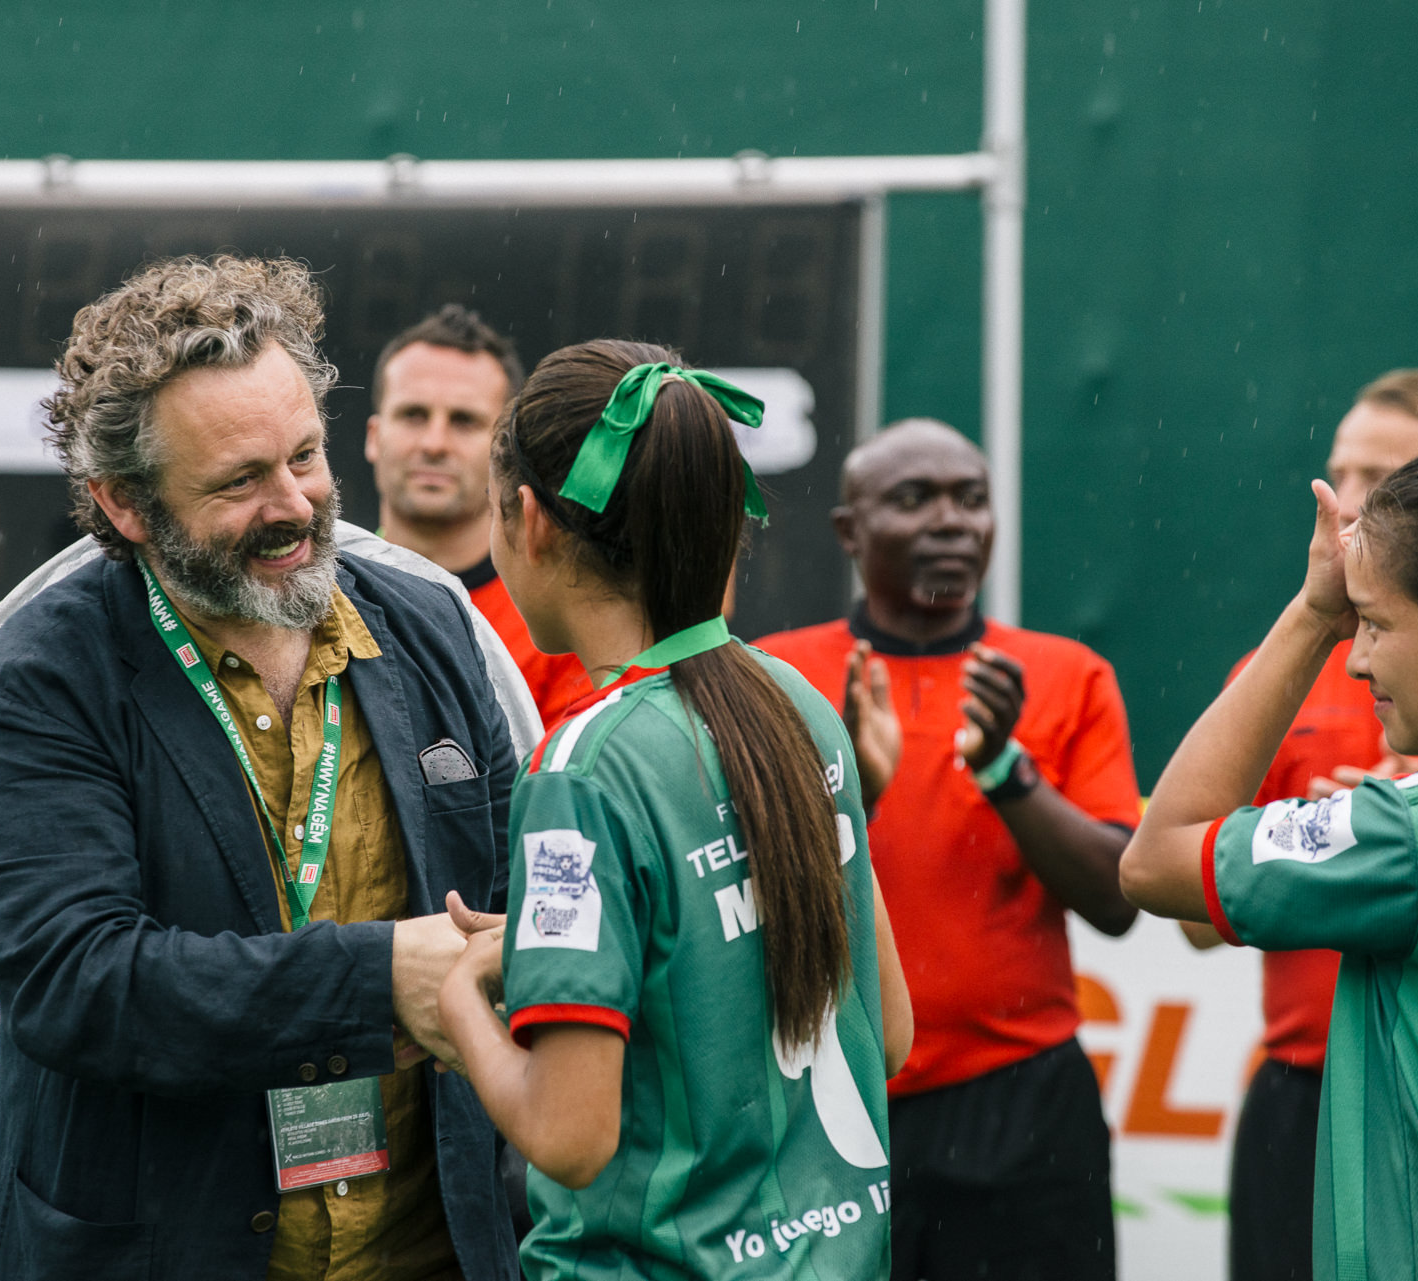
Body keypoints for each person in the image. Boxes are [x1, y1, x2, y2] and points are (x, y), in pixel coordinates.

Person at [0, 256, 519, 1280]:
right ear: (124, 504)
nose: (294, 505)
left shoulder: (430, 631)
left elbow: (515, 901)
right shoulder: (42, 680)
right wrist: (382, 979)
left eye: (305, 456)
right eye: (240, 482)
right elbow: (79, 985)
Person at [438, 340, 913, 1278]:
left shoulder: (583, 766)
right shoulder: (798, 701)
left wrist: (460, 996)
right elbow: (887, 1032)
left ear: (528, 522)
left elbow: (570, 1137)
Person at [756, 419, 1141, 1281]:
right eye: (914, 498)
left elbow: (1117, 898)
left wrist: (1007, 768)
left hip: (1026, 1107)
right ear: (850, 531)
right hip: (832, 1098)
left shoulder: (1065, 673)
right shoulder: (774, 679)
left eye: (971, 499)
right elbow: (743, 901)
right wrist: (854, 789)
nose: (952, 522)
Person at [1120, 444, 1418, 1279]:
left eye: (1374, 622)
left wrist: (1309, 612)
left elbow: (1155, 859)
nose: (1357, 656)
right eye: (1348, 622)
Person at [367, 305, 590, 726]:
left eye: (463, 421)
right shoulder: (314, 591)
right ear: (374, 437)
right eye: (413, 415)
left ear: (504, 449)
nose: (434, 443)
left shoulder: (555, 624)